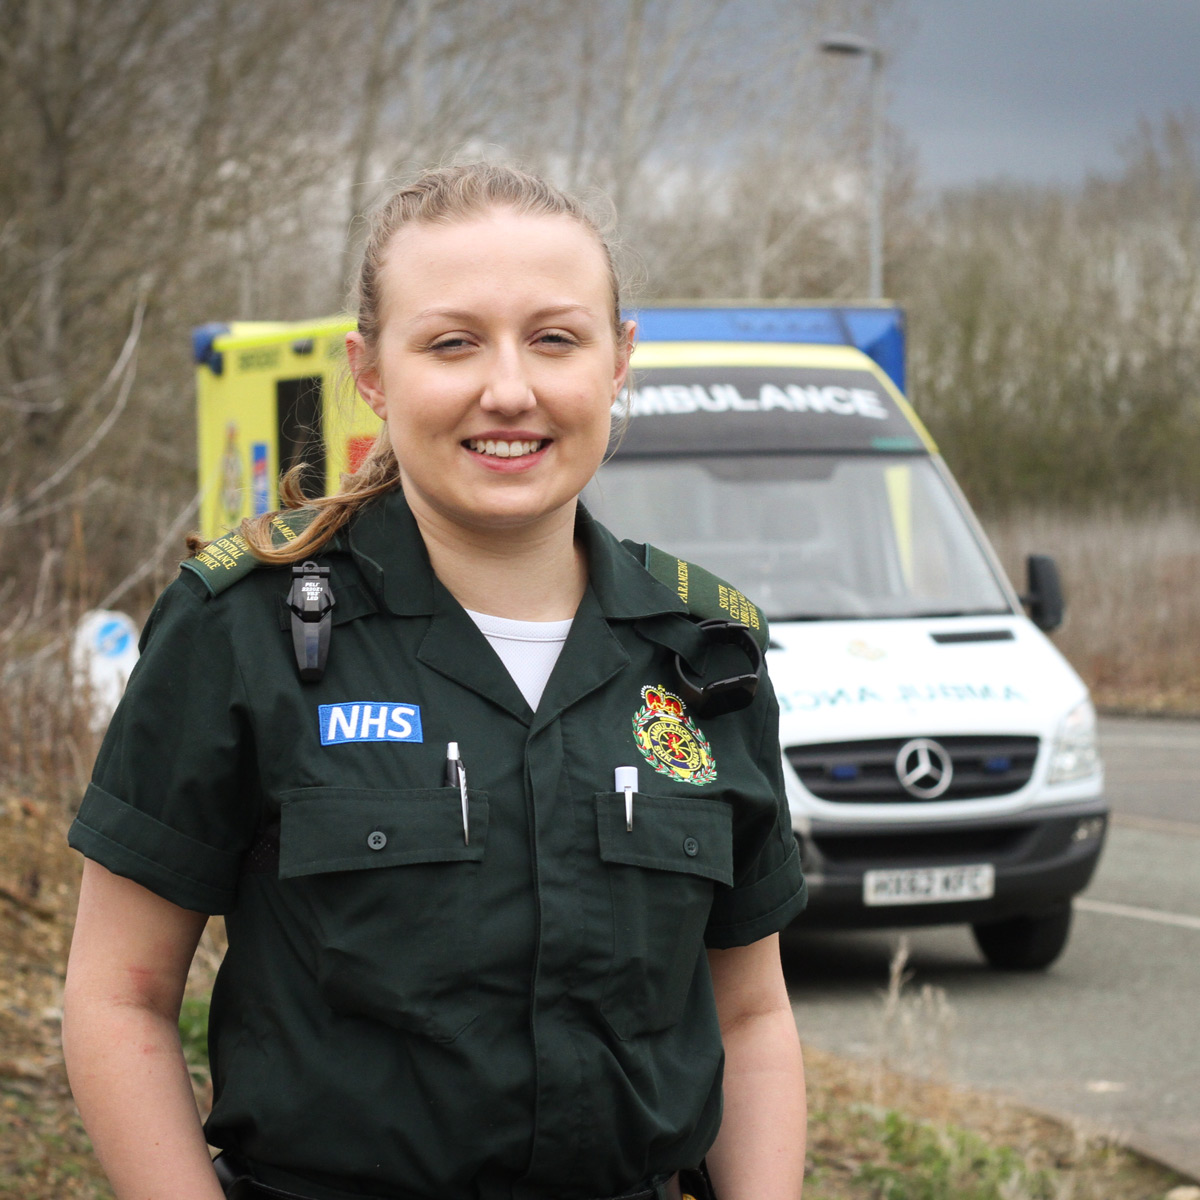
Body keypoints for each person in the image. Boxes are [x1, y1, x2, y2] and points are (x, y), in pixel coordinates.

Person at [61, 163, 808, 1200]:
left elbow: (750, 1017)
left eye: (555, 338)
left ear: (619, 359)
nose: (510, 389)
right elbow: (119, 997)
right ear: (369, 371)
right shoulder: (242, 630)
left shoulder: (707, 654)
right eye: (453, 342)